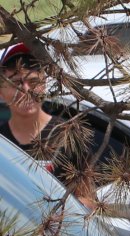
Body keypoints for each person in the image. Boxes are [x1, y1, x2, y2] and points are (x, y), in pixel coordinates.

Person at [0, 43, 95, 204]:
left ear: (44, 84)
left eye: (33, 81)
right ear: (1, 90)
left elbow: (88, 201)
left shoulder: (69, 134)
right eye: (15, 82)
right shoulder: (2, 140)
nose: (26, 90)